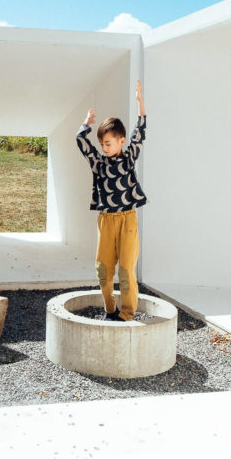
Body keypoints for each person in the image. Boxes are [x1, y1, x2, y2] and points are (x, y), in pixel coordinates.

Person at [76, 80, 147, 322]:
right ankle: (110, 310)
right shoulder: (98, 162)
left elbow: (141, 132)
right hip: (106, 221)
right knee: (103, 270)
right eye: (102, 144)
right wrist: (86, 123)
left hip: (128, 219)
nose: (104, 148)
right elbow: (81, 141)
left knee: (126, 271)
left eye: (108, 143)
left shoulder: (128, 158)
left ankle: (126, 315)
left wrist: (140, 103)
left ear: (121, 140)